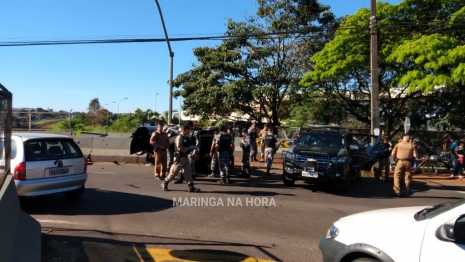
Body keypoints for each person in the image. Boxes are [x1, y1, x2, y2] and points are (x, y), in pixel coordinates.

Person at [161, 125, 200, 192]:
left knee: (188, 172)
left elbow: (187, 146)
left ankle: (191, 186)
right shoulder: (179, 138)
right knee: (174, 172)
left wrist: (192, 149)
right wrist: (189, 148)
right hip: (179, 158)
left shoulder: (186, 138)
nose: (189, 131)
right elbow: (179, 148)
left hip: (185, 157)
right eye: (188, 130)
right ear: (183, 130)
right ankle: (165, 182)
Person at [390, 133, 417, 197]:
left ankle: (397, 191)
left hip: (400, 161)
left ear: (403, 138)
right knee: (407, 177)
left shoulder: (398, 145)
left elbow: (392, 154)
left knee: (397, 176)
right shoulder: (412, 146)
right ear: (409, 139)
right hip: (408, 163)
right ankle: (405, 192)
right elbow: (415, 156)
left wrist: (394, 159)